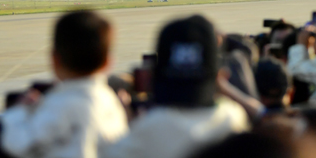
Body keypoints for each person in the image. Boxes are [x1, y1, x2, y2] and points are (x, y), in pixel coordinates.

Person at [106, 15, 249, 158]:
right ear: (220, 76)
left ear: (154, 73)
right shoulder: (232, 118)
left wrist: (128, 125)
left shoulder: (148, 128)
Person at [0, 10, 128, 158]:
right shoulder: (112, 103)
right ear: (108, 62)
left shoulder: (57, 105)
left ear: (55, 60)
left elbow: (19, 144)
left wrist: (19, 111)